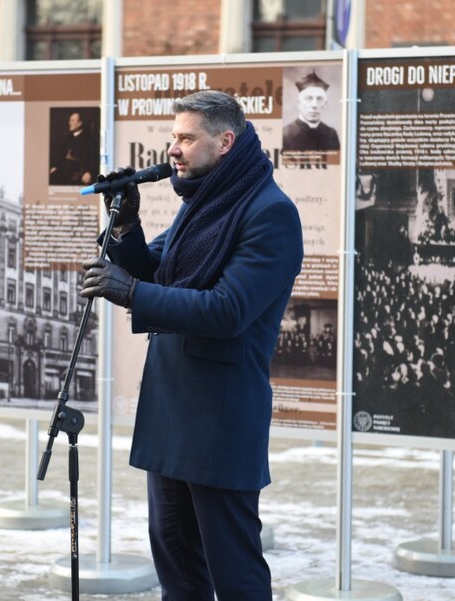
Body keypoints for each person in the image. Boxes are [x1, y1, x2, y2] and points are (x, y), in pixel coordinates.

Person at [80, 90, 303, 599]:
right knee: (177, 569)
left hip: (219, 421)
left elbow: (227, 310)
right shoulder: (204, 202)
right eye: (172, 137)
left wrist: (131, 293)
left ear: (225, 142)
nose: (172, 149)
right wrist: (127, 225)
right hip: (171, 413)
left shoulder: (270, 213)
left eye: (186, 138)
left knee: (234, 573)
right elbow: (156, 270)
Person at [282, 71, 341, 152]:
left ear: (325, 103)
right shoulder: (285, 134)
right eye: (309, 98)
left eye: (319, 99)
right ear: (299, 103)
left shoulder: (331, 134)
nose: (314, 105)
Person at [49, 111, 98, 186]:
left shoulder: (89, 139)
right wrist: (55, 166)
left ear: (80, 123)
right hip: (65, 171)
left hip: (80, 172)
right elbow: (61, 155)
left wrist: (89, 172)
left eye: (72, 120)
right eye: (69, 121)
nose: (69, 123)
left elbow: (93, 159)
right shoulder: (67, 139)